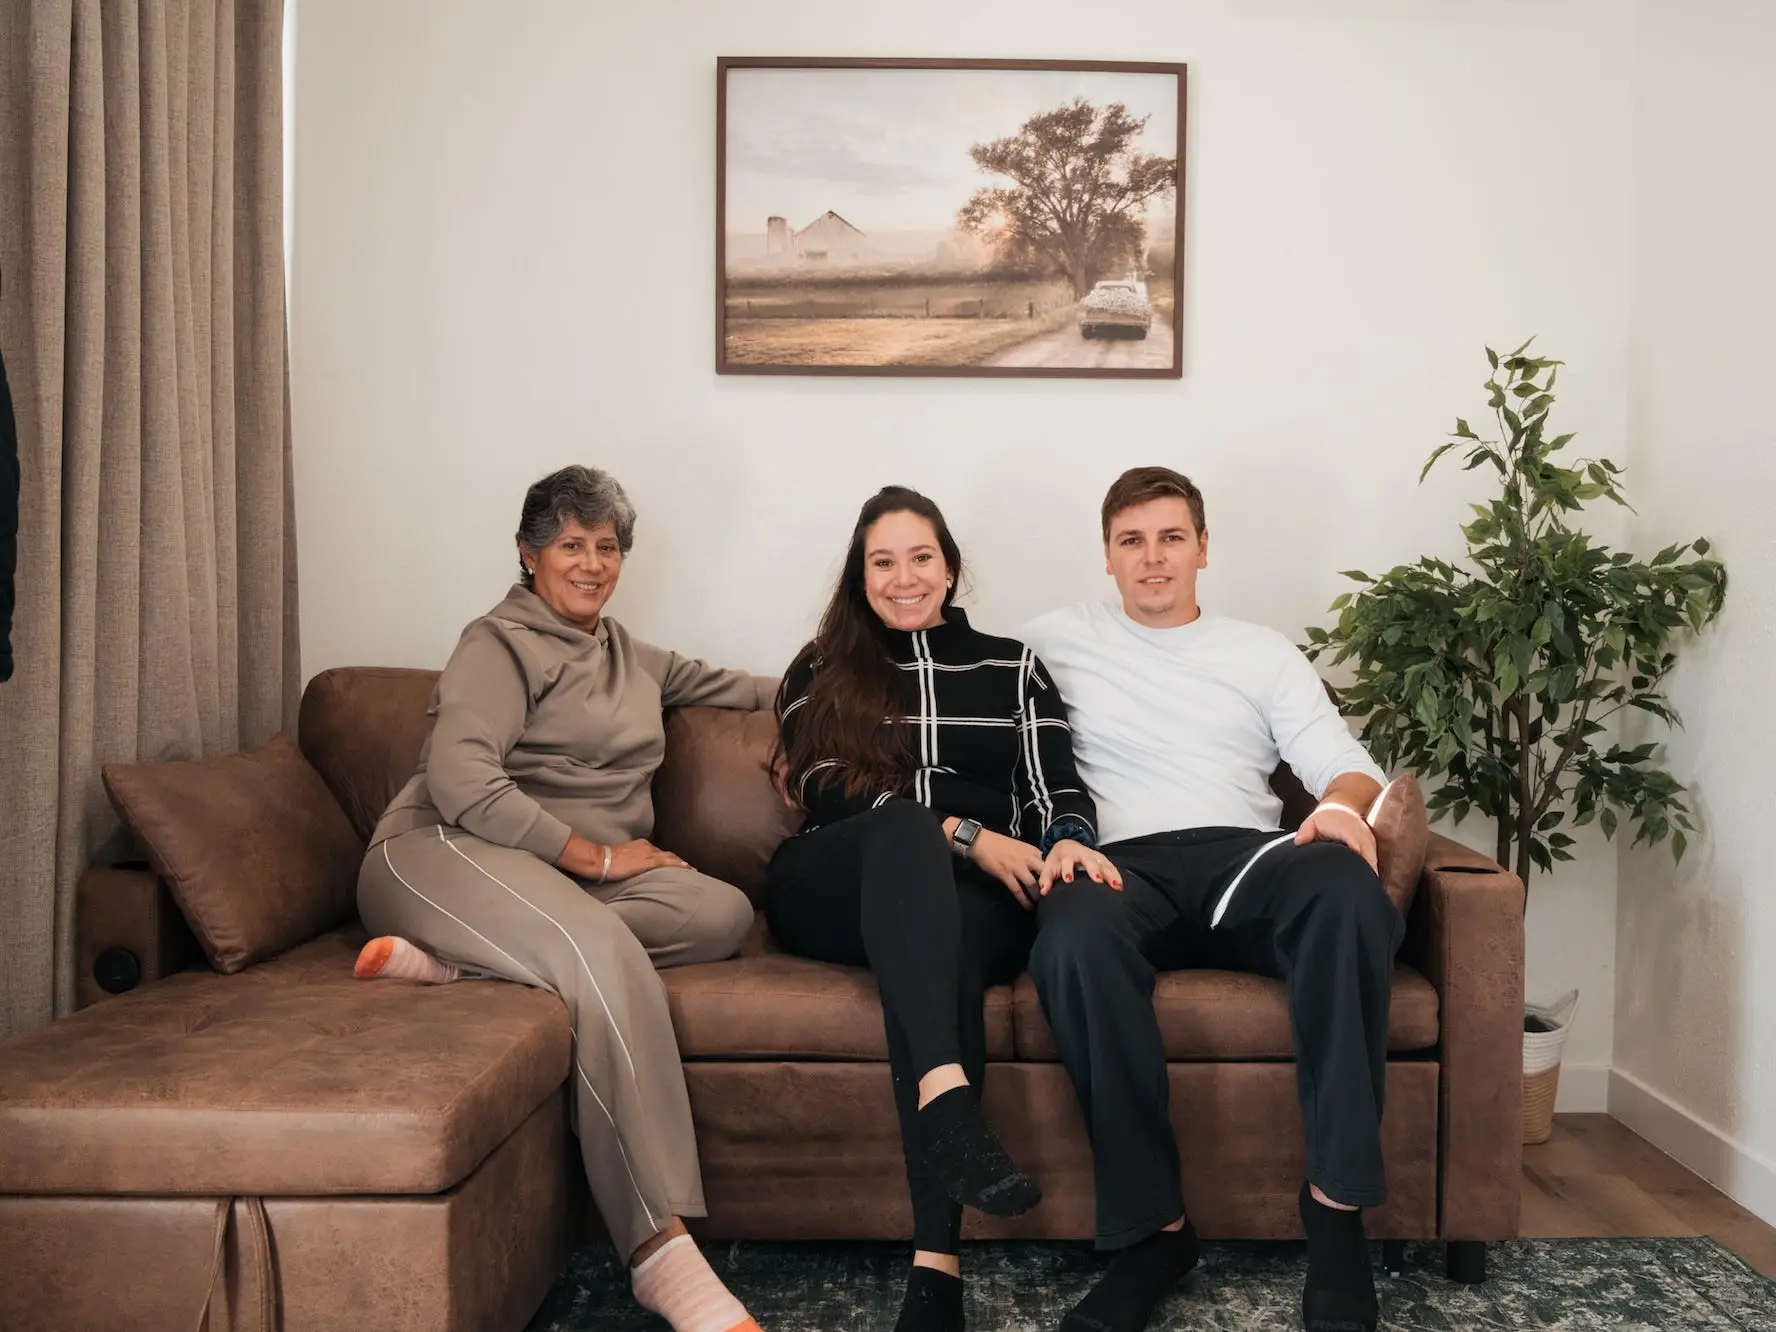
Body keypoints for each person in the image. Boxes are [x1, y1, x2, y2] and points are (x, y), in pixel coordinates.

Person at [356, 465, 771, 1332]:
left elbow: (753, 690)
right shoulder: (497, 644)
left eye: (607, 546)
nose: (591, 563)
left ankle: (462, 964)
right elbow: (461, 777)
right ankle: (660, 1248)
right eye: (570, 545)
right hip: (441, 851)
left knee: (721, 912)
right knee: (595, 945)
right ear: (528, 554)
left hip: (544, 887)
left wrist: (871, 683)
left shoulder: (632, 657)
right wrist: (602, 859)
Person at [1018, 466, 1402, 1332]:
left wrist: (1341, 809)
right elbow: (948, 686)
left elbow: (1342, 764)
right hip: (1118, 869)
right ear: (1107, 558)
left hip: (1245, 861)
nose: (1153, 559)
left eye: (1171, 538)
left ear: (1202, 549)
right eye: (1132, 541)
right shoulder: (1051, 640)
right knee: (1069, 940)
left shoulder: (1262, 652)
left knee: (1346, 892)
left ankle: (1338, 1216)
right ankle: (1153, 1233)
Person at [766, 486, 1120, 1332]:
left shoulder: (1010, 666)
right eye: (881, 562)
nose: (903, 577)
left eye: (920, 557)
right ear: (860, 576)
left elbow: (1055, 785)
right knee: (900, 832)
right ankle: (946, 1096)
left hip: (965, 906)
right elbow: (827, 789)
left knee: (946, 952)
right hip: (837, 882)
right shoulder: (819, 666)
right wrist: (964, 833)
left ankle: (937, 1269)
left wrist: (1068, 836)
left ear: (950, 567)